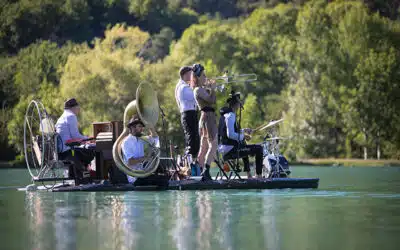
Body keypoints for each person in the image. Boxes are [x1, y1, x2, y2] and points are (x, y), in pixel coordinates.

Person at [217, 92, 263, 178]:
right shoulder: (231, 116)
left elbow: (229, 132)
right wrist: (244, 136)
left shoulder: (226, 114)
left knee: (242, 143)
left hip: (225, 149)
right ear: (237, 104)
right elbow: (230, 134)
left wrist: (243, 130)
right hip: (230, 151)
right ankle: (259, 176)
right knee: (259, 148)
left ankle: (249, 175)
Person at [55, 98, 95, 185]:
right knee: (93, 151)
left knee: (86, 150)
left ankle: (80, 175)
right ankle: (87, 177)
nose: (79, 110)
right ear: (74, 107)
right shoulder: (71, 116)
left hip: (61, 152)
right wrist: (89, 139)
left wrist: (85, 140)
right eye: (78, 107)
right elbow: (75, 136)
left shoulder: (61, 118)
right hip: (69, 151)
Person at [121, 115, 165, 186]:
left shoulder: (142, 139)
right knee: (161, 182)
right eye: (140, 126)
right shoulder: (126, 142)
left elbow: (156, 140)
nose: (142, 129)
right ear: (133, 128)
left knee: (163, 179)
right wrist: (146, 158)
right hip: (134, 178)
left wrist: (151, 128)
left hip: (143, 175)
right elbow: (130, 161)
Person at [192, 63, 217, 181]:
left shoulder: (201, 89)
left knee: (204, 146)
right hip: (208, 117)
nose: (205, 77)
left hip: (207, 117)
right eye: (203, 75)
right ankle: (206, 170)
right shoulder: (198, 90)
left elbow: (212, 99)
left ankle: (200, 171)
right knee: (214, 144)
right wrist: (212, 89)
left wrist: (211, 89)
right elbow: (211, 100)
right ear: (197, 77)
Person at [175, 66, 201, 170]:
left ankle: (190, 165)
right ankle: (186, 166)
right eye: (191, 74)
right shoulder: (183, 87)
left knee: (194, 140)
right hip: (188, 114)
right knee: (191, 141)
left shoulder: (185, 86)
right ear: (185, 75)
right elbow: (195, 98)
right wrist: (199, 86)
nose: (192, 77)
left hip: (190, 114)